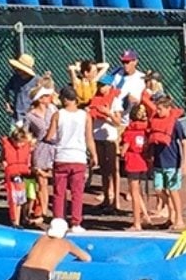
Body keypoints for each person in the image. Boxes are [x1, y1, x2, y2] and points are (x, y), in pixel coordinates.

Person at [45, 85, 98, 233]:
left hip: (62, 156)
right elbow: (89, 138)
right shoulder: (85, 115)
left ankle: (58, 221)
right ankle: (76, 222)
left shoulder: (58, 115)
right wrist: (94, 155)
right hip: (79, 157)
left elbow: (50, 136)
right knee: (77, 192)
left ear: (65, 99)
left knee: (59, 192)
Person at [14, 217, 92, 280]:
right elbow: (87, 258)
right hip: (41, 276)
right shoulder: (66, 243)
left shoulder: (40, 239)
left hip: (24, 272)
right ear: (65, 232)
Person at [148, 96, 186, 230]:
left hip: (172, 162)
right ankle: (170, 212)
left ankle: (179, 218)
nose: (158, 112)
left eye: (160, 109)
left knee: (173, 191)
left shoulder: (175, 124)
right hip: (159, 162)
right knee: (158, 189)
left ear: (168, 109)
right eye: (157, 109)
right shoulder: (155, 122)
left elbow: (184, 142)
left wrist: (184, 164)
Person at [25, 75, 58, 223]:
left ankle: (56, 211)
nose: (49, 97)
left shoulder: (53, 109)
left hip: (55, 147)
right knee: (42, 182)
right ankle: (43, 210)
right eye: (45, 96)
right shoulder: (30, 116)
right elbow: (26, 134)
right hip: (40, 149)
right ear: (39, 99)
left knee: (57, 179)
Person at [88, 78, 122, 212]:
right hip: (98, 137)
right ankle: (107, 198)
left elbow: (118, 121)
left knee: (114, 170)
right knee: (103, 170)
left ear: (109, 86)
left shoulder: (115, 100)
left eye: (103, 85)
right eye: (99, 85)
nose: (100, 88)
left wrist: (108, 114)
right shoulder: (95, 99)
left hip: (110, 138)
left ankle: (116, 201)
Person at [120, 103, 151, 230]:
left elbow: (124, 150)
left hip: (132, 162)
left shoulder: (130, 132)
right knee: (139, 192)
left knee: (134, 193)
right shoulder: (146, 130)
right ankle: (146, 216)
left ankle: (136, 222)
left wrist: (121, 151)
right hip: (143, 162)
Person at [0, 124, 35, 228]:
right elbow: (3, 157)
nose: (19, 145)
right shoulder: (7, 146)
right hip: (11, 174)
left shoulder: (27, 146)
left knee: (21, 198)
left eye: (22, 143)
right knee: (14, 199)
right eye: (18, 142)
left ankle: (20, 219)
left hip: (22, 174)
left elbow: (29, 157)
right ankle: (15, 221)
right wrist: (3, 163)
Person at [110, 49, 146, 122]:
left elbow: (143, 98)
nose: (125, 65)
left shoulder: (142, 78)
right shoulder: (116, 72)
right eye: (123, 62)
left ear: (135, 62)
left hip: (129, 119)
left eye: (127, 62)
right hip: (113, 116)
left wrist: (135, 100)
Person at [4, 53, 39, 123]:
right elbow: (6, 89)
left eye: (20, 70)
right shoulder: (15, 78)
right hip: (16, 117)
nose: (18, 71)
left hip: (31, 117)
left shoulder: (37, 81)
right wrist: (7, 103)